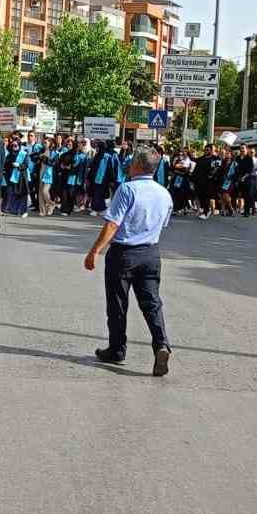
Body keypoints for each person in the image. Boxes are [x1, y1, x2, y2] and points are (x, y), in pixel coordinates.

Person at [83, 146, 174, 378]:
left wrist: (95, 251)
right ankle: (161, 344)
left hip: (124, 253)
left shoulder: (127, 189)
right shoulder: (164, 193)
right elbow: (162, 224)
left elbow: (113, 224)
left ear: (137, 166)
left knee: (117, 303)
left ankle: (117, 349)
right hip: (151, 253)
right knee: (152, 303)